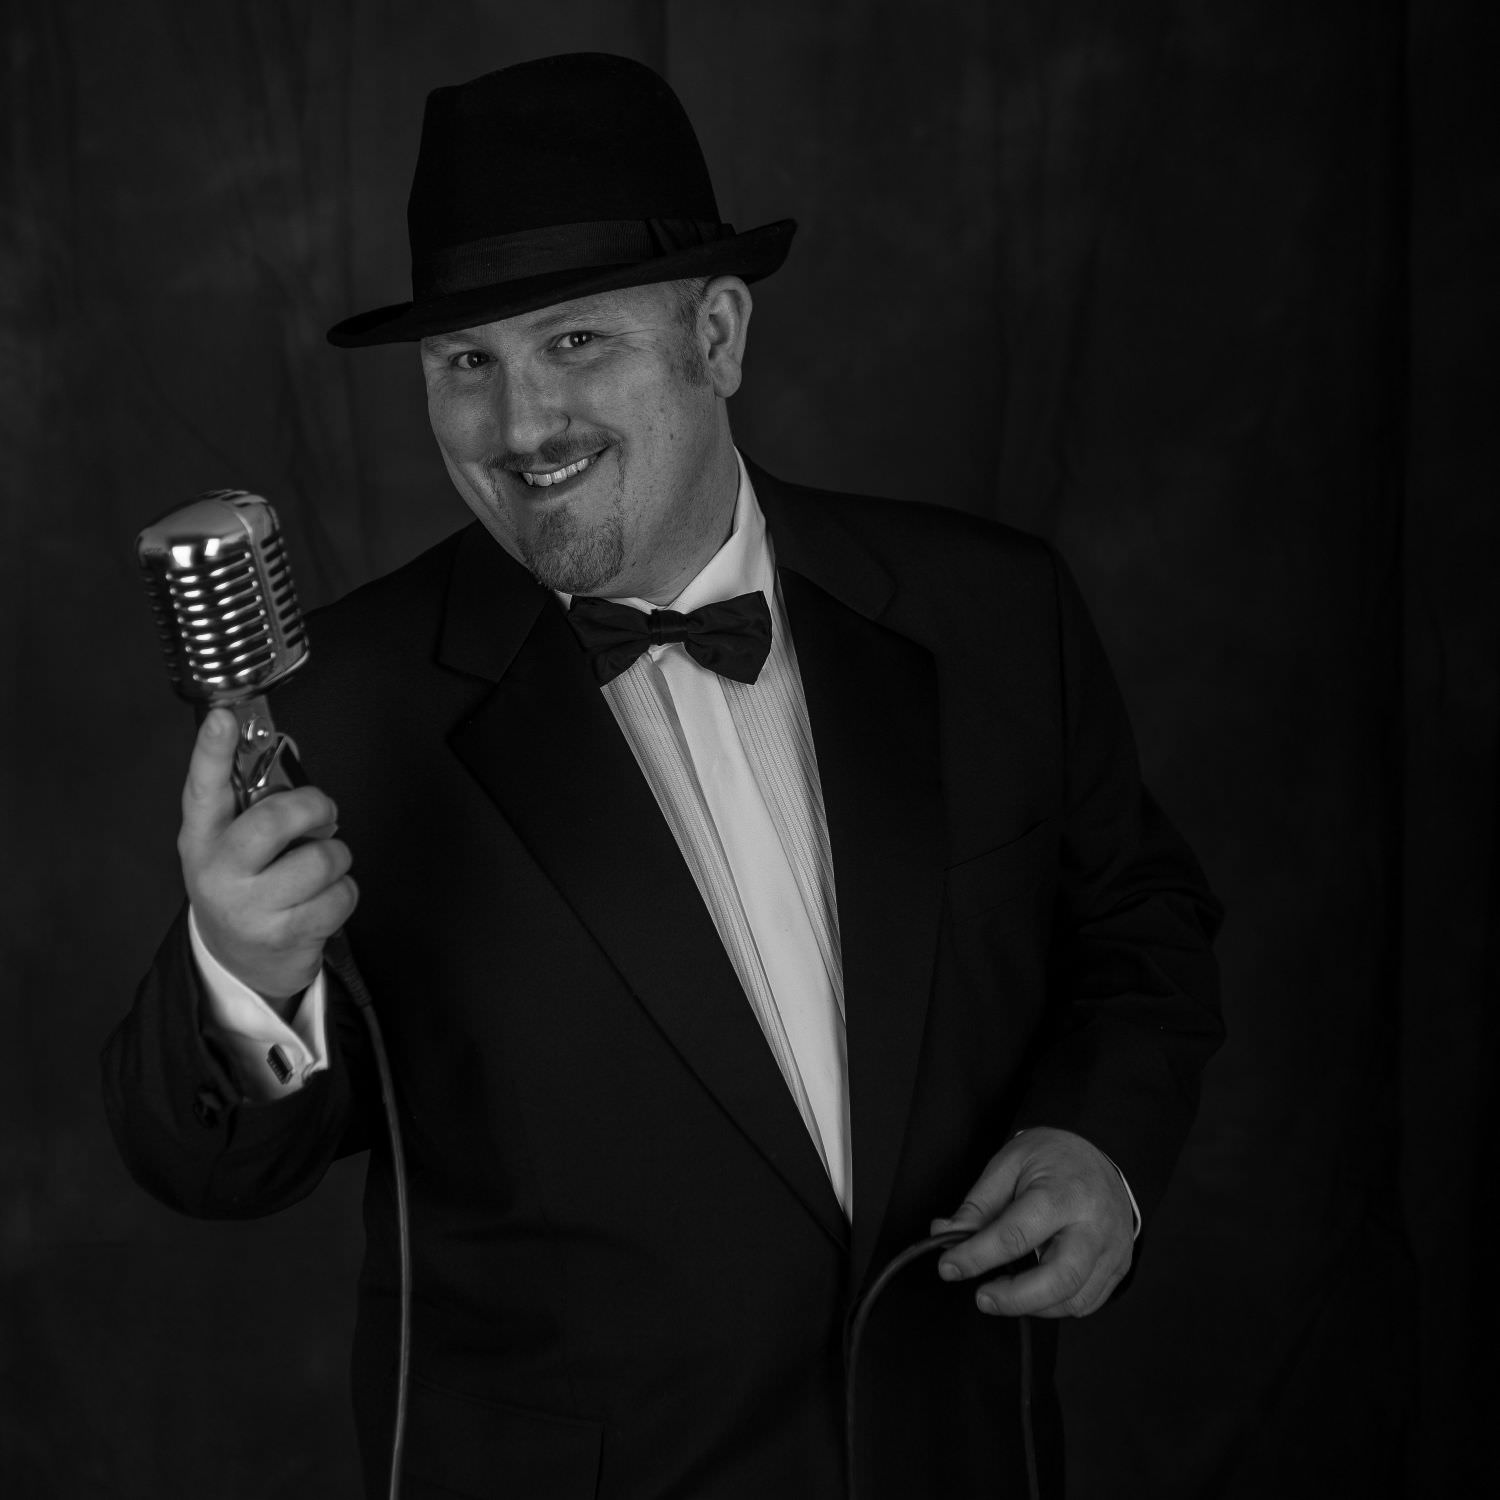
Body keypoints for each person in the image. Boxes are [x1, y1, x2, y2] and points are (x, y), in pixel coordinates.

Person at [102, 51, 1224, 1500]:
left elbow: (1139, 931)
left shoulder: (991, 613)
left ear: (718, 332)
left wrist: (1102, 1148)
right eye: (467, 364)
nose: (519, 428)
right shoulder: (342, 709)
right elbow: (207, 1169)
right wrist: (240, 976)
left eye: (576, 343)